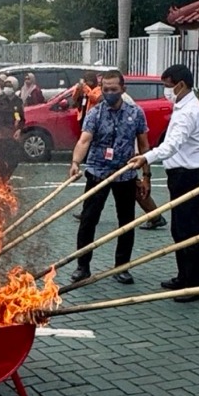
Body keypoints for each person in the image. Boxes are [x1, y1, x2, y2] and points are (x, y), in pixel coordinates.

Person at [127, 65, 199, 297]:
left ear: (180, 85)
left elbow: (172, 145)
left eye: (167, 86)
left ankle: (194, 285)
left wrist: (145, 157)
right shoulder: (182, 106)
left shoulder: (188, 111)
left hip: (189, 177)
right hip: (180, 176)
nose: (166, 91)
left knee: (189, 232)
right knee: (179, 230)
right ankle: (184, 276)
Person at [68, 69, 149, 285]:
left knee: (126, 222)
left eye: (114, 89)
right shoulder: (95, 113)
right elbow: (84, 140)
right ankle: (82, 266)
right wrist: (76, 162)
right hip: (97, 172)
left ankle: (122, 267)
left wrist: (146, 175)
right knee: (88, 220)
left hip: (125, 173)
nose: (109, 93)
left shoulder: (136, 112)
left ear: (123, 89)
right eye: (106, 90)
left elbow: (143, 145)